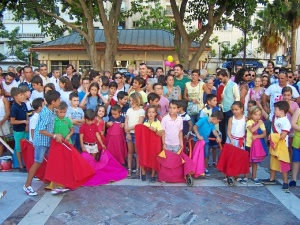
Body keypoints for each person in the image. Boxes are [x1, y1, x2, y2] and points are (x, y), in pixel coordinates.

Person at [24, 90, 64, 196]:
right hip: (41, 141)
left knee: (53, 161)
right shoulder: (46, 113)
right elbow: (41, 129)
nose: (60, 101)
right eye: (58, 100)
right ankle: (27, 185)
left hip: (47, 141)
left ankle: (55, 186)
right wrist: (54, 136)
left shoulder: (51, 111)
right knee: (38, 162)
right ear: (53, 102)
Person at [261, 101, 291, 191]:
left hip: (282, 145)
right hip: (275, 144)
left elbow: (283, 136)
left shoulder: (286, 122)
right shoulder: (274, 117)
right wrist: (260, 106)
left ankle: (285, 182)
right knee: (273, 161)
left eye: (276, 109)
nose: (274, 111)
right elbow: (266, 116)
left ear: (282, 111)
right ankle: (271, 179)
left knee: (283, 163)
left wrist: (273, 137)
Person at [193, 110, 223, 176]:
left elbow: (214, 131)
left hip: (205, 141)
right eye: (218, 121)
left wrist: (217, 136)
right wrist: (198, 135)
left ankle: (204, 168)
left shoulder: (212, 124)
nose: (217, 123)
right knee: (197, 155)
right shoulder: (203, 119)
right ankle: (194, 168)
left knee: (206, 155)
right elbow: (195, 127)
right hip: (197, 141)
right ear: (215, 118)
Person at [125, 92, 145, 177]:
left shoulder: (141, 111)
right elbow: (126, 121)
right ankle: (129, 169)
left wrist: (129, 129)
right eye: (130, 101)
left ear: (137, 101)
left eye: (132, 101)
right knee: (130, 151)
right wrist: (127, 132)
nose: (130, 102)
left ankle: (137, 169)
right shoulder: (129, 110)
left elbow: (139, 124)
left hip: (137, 134)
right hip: (129, 133)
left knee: (137, 152)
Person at [227, 101, 247, 184]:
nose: (235, 111)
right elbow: (228, 130)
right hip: (232, 140)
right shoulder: (231, 119)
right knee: (230, 158)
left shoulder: (245, 119)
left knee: (238, 158)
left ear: (241, 109)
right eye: (233, 110)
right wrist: (231, 139)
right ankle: (229, 174)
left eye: (236, 109)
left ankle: (237, 175)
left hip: (241, 141)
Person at [218, 69, 240, 144]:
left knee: (230, 127)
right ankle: (223, 143)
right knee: (222, 128)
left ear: (225, 76)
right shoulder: (222, 86)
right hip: (222, 109)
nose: (220, 80)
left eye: (221, 78)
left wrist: (235, 109)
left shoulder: (233, 85)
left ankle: (230, 142)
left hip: (230, 109)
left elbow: (237, 97)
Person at [246, 106, 267, 185]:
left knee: (255, 162)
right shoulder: (249, 122)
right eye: (255, 114)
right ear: (251, 115)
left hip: (257, 145)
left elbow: (264, 134)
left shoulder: (261, 122)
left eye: (259, 114)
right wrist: (259, 124)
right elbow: (252, 130)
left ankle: (254, 176)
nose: (258, 116)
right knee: (247, 161)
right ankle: (246, 176)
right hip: (249, 144)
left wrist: (257, 136)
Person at [141, 105, 162, 182]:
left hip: (154, 143)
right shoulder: (145, 122)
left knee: (154, 157)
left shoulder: (157, 122)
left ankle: (153, 174)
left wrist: (155, 130)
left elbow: (160, 133)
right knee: (144, 155)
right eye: (149, 112)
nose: (151, 114)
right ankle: (143, 172)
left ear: (156, 113)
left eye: (153, 112)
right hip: (146, 143)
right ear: (147, 113)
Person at [10, 87, 29, 172]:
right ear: (15, 96)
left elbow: (27, 114)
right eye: (20, 95)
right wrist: (23, 121)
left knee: (26, 147)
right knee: (19, 148)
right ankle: (20, 165)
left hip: (25, 129)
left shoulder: (24, 104)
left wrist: (27, 124)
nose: (22, 96)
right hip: (18, 131)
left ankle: (26, 164)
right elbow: (12, 121)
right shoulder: (14, 107)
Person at [200, 94, 221, 166]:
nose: (216, 102)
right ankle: (207, 162)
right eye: (214, 100)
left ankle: (215, 161)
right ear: (209, 102)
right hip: (206, 132)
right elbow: (201, 122)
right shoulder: (204, 111)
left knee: (215, 146)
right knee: (207, 147)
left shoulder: (218, 109)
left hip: (215, 130)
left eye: (216, 100)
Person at [290, 108, 300, 187]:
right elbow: (293, 123)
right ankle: (294, 179)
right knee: (296, 160)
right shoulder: (298, 110)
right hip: (298, 139)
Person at [0, 84, 10, 157]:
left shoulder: (4, 99)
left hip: (2, 121)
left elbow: (8, 112)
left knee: (1, 141)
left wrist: (1, 122)